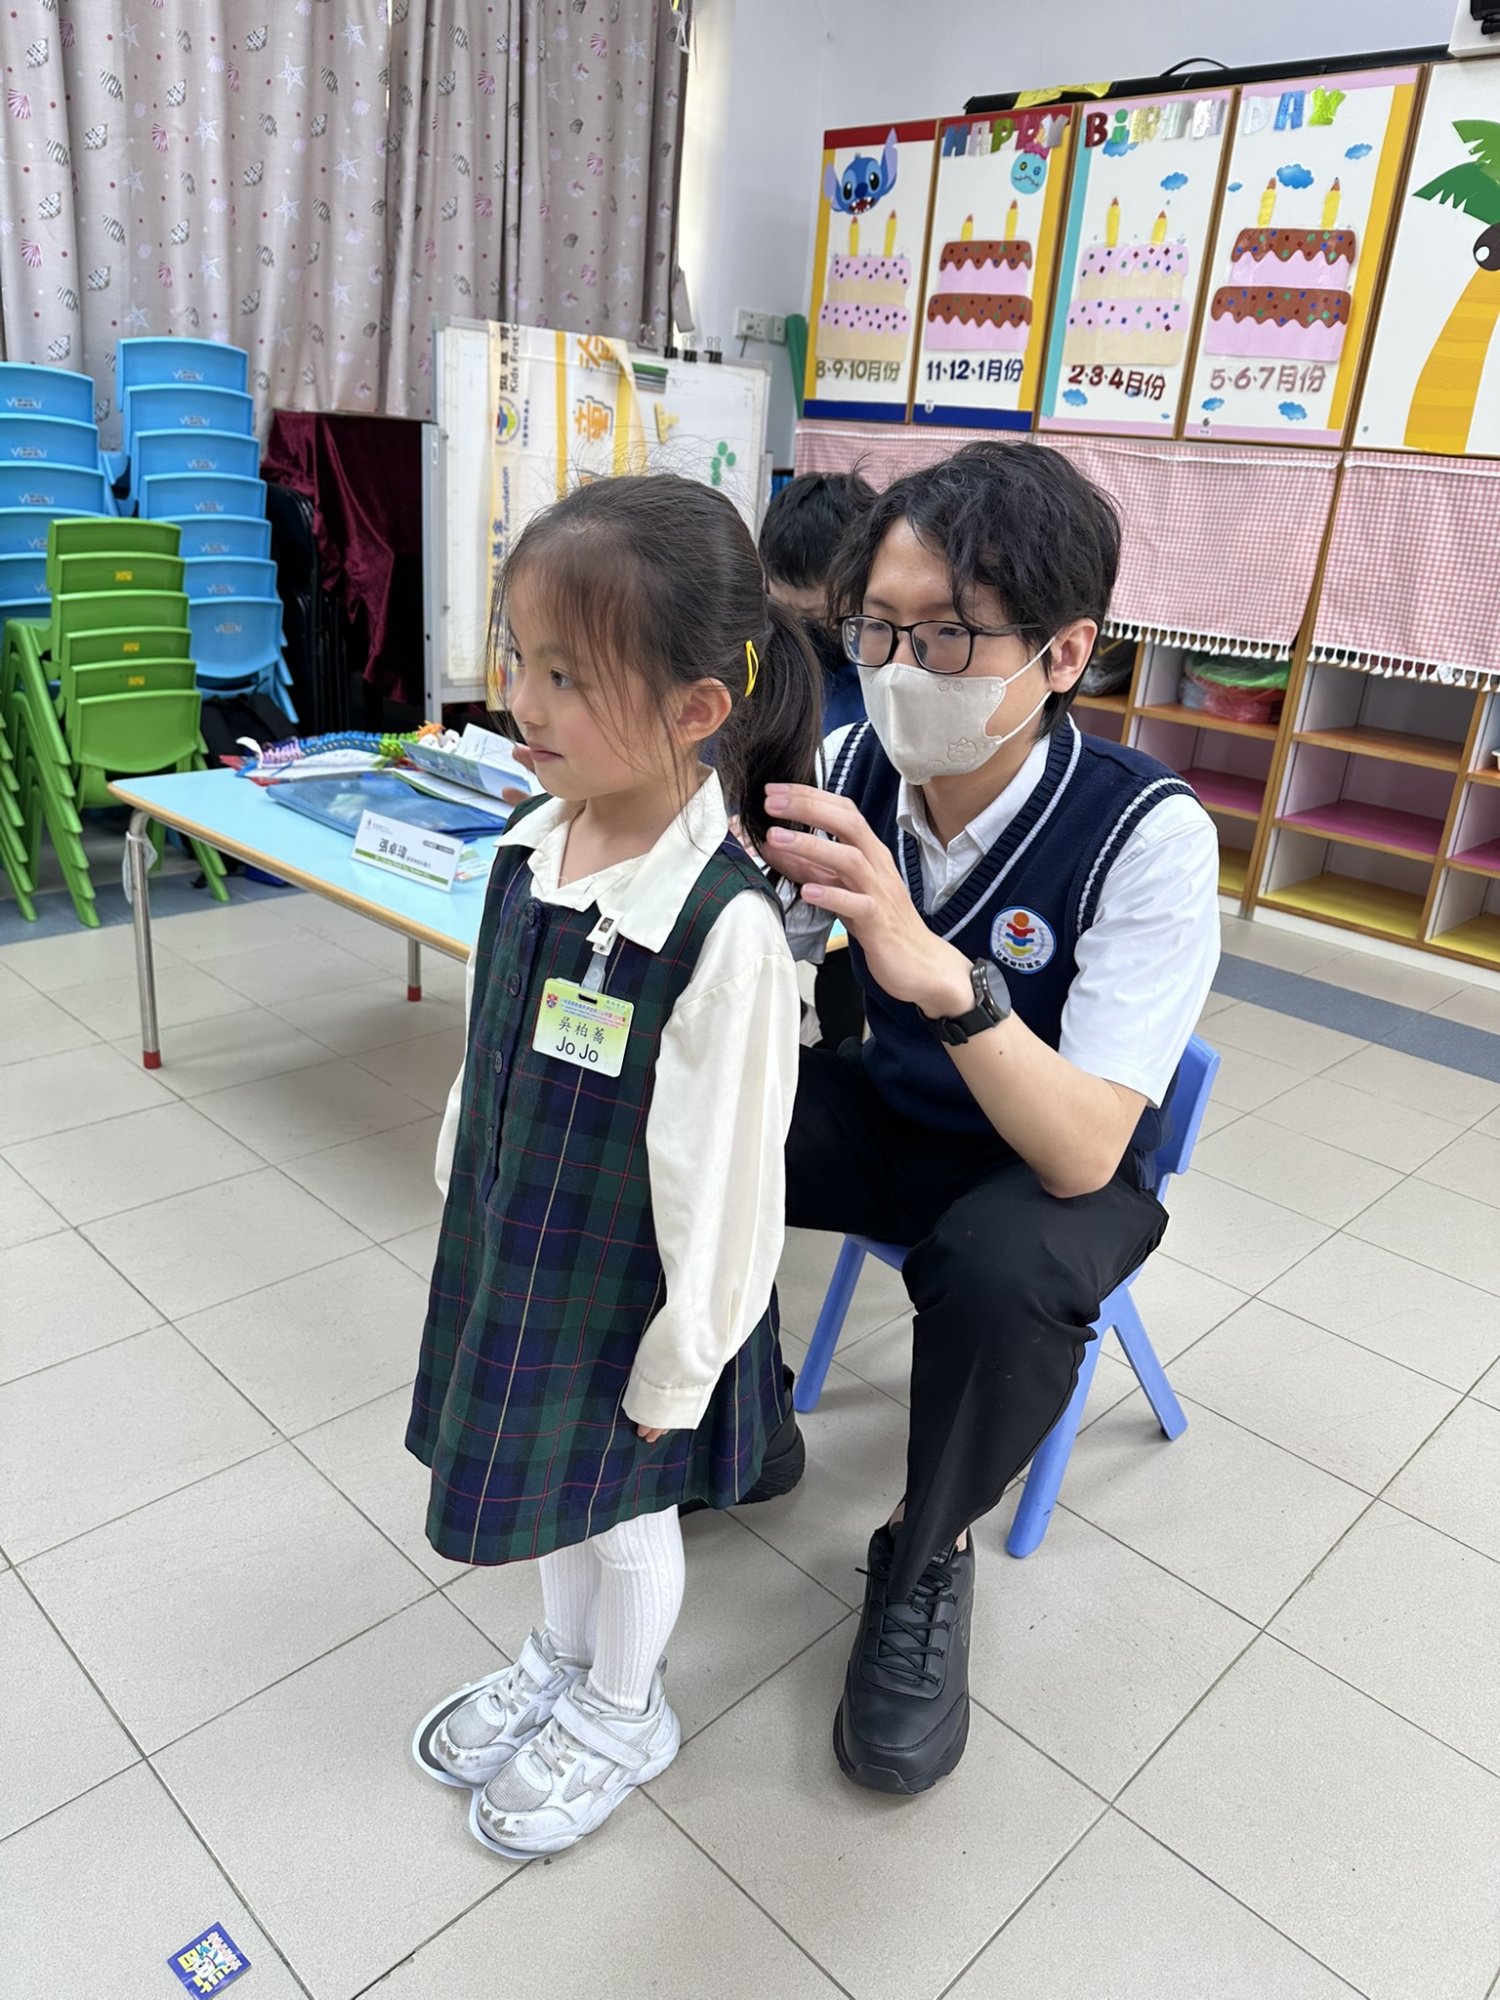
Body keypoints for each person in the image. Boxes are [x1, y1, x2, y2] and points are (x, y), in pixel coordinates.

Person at [764, 441, 1220, 1797]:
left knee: (1006, 1270)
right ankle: (735, 1415)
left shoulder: (1147, 832)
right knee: (694, 1119)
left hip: (1053, 1159)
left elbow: (1086, 1146)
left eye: (950, 636)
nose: (902, 668)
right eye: (878, 628)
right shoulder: (850, 762)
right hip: (896, 1110)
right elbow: (779, 951)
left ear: (1065, 652)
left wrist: (943, 975)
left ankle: (923, 1552)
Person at [407, 474, 821, 1857]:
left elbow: (732, 1183)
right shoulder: (534, 843)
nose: (521, 701)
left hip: (633, 1293)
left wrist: (683, 1364)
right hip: (523, 1247)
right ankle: (561, 1660)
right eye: (519, 657)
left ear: (697, 709)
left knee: (624, 1512)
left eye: (568, 676)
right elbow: (488, 1040)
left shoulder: (723, 927)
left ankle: (622, 1708)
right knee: (551, 1495)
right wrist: (463, 1179)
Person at [761, 470, 876, 1051]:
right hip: (770, 869)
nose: (795, 632)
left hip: (855, 880)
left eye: (812, 616)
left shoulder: (884, 678)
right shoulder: (765, 648)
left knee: (843, 1001)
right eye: (781, 608)